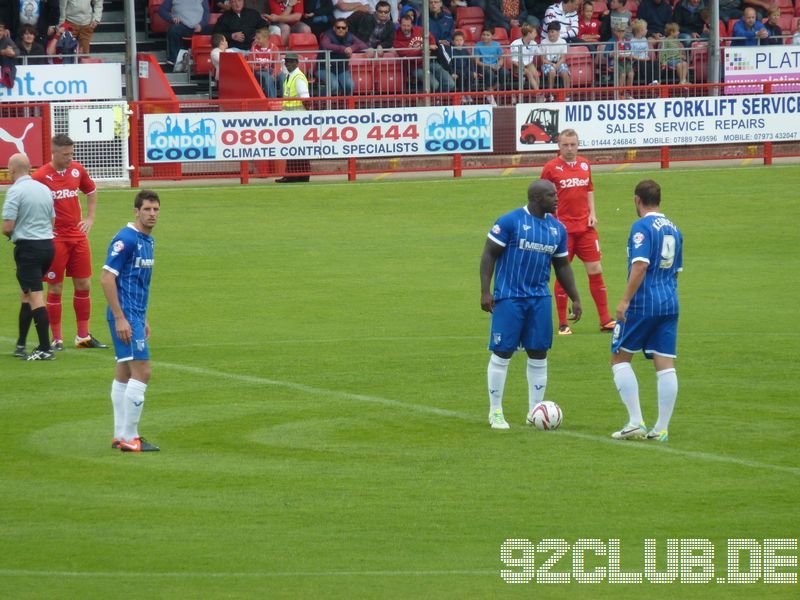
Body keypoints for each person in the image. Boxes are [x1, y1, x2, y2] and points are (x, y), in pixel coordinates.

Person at [479, 179, 583, 430]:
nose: (557, 199)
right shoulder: (510, 221)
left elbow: (562, 265)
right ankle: (495, 412)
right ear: (536, 198)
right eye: (551, 195)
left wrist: (575, 296)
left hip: (539, 298)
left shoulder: (557, 229)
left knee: (539, 353)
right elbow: (489, 254)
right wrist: (485, 291)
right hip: (510, 297)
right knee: (502, 352)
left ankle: (534, 411)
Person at [610, 179, 682, 442]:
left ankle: (635, 422)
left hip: (643, 302)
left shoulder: (641, 226)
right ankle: (661, 428)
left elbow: (640, 265)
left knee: (619, 358)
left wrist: (625, 301)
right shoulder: (674, 228)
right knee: (664, 363)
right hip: (670, 301)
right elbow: (676, 271)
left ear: (636, 200)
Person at [32, 134, 108, 351]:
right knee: (55, 287)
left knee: (84, 284)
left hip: (78, 236)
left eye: (71, 153)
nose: (69, 158)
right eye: (66, 154)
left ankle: (82, 337)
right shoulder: (40, 177)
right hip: (55, 239)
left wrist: (90, 218)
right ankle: (57, 339)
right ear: (54, 153)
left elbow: (91, 191)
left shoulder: (77, 170)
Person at [101, 190, 162, 453]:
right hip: (124, 315)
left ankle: (120, 435)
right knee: (143, 370)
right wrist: (120, 318)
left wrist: (142, 317)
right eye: (147, 209)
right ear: (136, 211)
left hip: (134, 315)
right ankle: (130, 437)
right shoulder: (125, 239)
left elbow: (137, 282)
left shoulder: (147, 240)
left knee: (125, 372)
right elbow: (106, 277)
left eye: (155, 210)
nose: (151, 214)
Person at [540, 129, 615, 334]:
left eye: (573, 145)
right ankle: (563, 323)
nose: (570, 149)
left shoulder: (584, 164)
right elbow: (542, 196)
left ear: (578, 145)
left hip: (585, 228)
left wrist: (592, 213)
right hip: (563, 231)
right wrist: (551, 223)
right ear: (559, 146)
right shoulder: (550, 168)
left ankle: (605, 319)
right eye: (565, 145)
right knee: (563, 274)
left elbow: (589, 189)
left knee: (596, 269)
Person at [2, 153, 55, 361]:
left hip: (28, 250)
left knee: (34, 296)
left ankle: (45, 348)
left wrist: (13, 234)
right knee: (26, 294)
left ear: (13, 170)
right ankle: (21, 344)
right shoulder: (44, 189)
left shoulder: (15, 192)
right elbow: (52, 221)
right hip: (48, 247)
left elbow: (7, 227)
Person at [277, 52, 311, 182]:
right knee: (293, 148)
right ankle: (296, 175)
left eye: (291, 62)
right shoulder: (290, 76)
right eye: (287, 61)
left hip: (297, 117)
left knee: (298, 148)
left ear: (297, 63)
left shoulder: (297, 77)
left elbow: (305, 99)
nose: (288, 64)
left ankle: (299, 175)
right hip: (292, 117)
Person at [318, 17, 367, 95]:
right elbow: (325, 45)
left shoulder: (350, 36)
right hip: (323, 68)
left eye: (343, 28)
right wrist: (343, 49)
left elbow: (363, 45)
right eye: (338, 27)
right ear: (334, 28)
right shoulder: (327, 35)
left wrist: (351, 48)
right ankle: (316, 100)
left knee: (350, 85)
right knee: (334, 86)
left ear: (347, 29)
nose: (341, 29)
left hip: (341, 69)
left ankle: (346, 105)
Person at [158, 0, 212, 68]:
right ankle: (175, 59)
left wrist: (201, 25)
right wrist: (171, 18)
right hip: (182, 26)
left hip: (199, 27)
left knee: (213, 30)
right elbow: (161, 10)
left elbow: (206, 13)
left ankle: (207, 60)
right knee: (173, 30)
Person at [474, 27, 508, 103]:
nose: (485, 36)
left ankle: (490, 91)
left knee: (505, 73)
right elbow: (477, 62)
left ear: (492, 36)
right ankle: (490, 94)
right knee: (490, 73)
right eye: (484, 34)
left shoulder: (497, 45)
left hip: (495, 66)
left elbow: (501, 58)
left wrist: (498, 65)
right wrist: (489, 65)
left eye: (488, 35)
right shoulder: (477, 45)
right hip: (483, 67)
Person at [250, 26, 285, 97]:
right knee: (267, 77)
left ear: (266, 39)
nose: (256, 40)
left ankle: (285, 99)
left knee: (282, 76)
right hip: (258, 72)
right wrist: (261, 67)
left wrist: (273, 75)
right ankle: (273, 102)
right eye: (256, 38)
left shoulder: (274, 48)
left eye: (258, 38)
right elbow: (250, 65)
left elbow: (277, 65)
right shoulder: (253, 48)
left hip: (270, 71)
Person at [539, 21, 570, 97]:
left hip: (559, 62)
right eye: (549, 32)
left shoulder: (563, 42)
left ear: (558, 32)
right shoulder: (543, 42)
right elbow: (543, 59)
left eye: (552, 32)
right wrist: (552, 64)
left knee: (565, 72)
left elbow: (563, 58)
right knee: (552, 71)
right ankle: (550, 94)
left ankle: (567, 94)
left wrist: (557, 64)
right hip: (547, 63)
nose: (550, 34)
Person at [509, 23, 540, 91]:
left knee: (536, 74)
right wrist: (521, 66)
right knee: (529, 73)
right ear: (529, 34)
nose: (536, 34)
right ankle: (539, 93)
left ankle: (536, 92)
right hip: (518, 65)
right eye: (534, 32)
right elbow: (514, 61)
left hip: (529, 64)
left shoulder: (534, 43)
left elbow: (539, 53)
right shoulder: (515, 43)